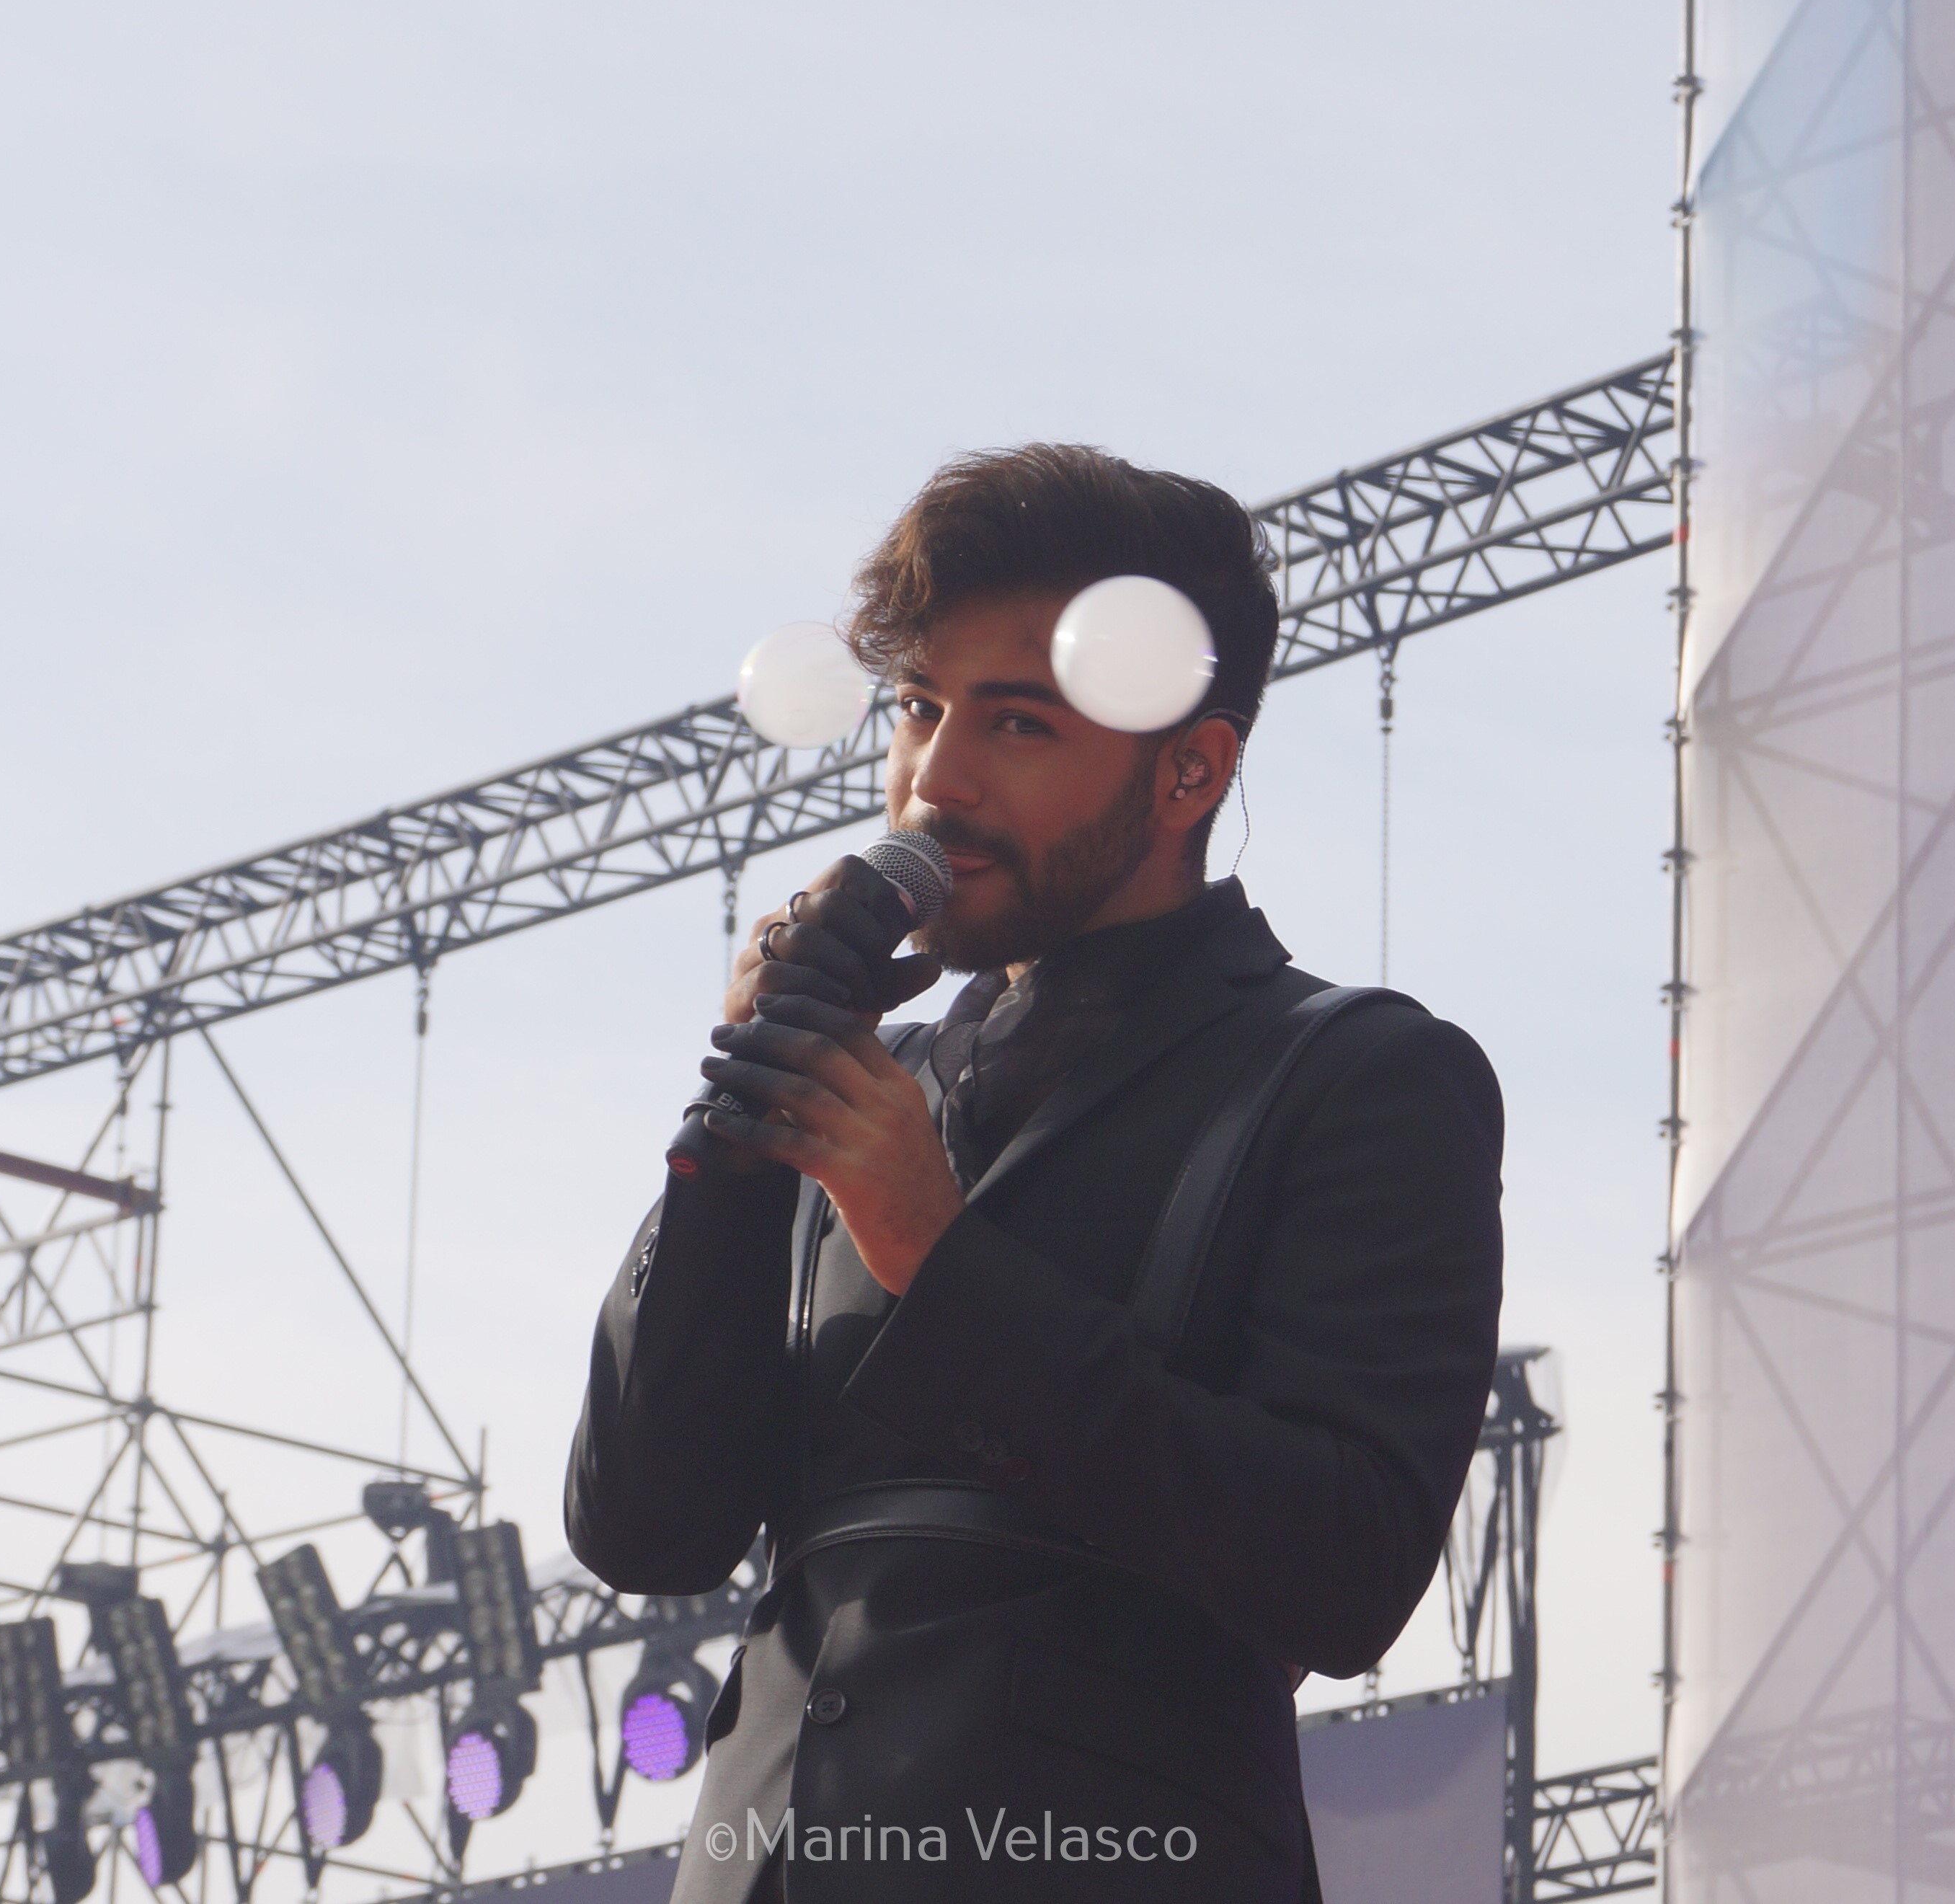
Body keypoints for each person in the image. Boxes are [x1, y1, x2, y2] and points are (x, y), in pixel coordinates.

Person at [564, 445, 1507, 1901]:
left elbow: (1344, 1565)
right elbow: (645, 1527)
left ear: (1189, 768)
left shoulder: (1356, 1075)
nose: (933, 781)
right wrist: (736, 1144)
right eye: (917, 709)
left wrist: (937, 1262)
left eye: (1014, 723)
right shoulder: (869, 1080)